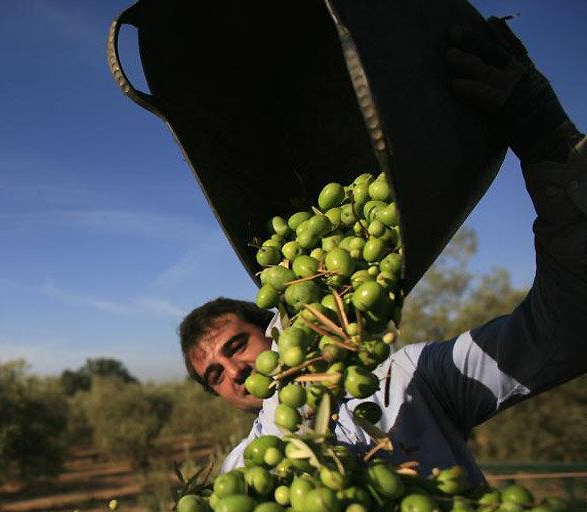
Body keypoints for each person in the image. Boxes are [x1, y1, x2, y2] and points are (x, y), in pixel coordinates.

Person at [178, 20, 586, 484]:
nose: (234, 370)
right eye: (215, 375)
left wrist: (551, 150)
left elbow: (568, 330)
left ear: (275, 326)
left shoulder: (409, 378)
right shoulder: (246, 471)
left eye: (236, 346)